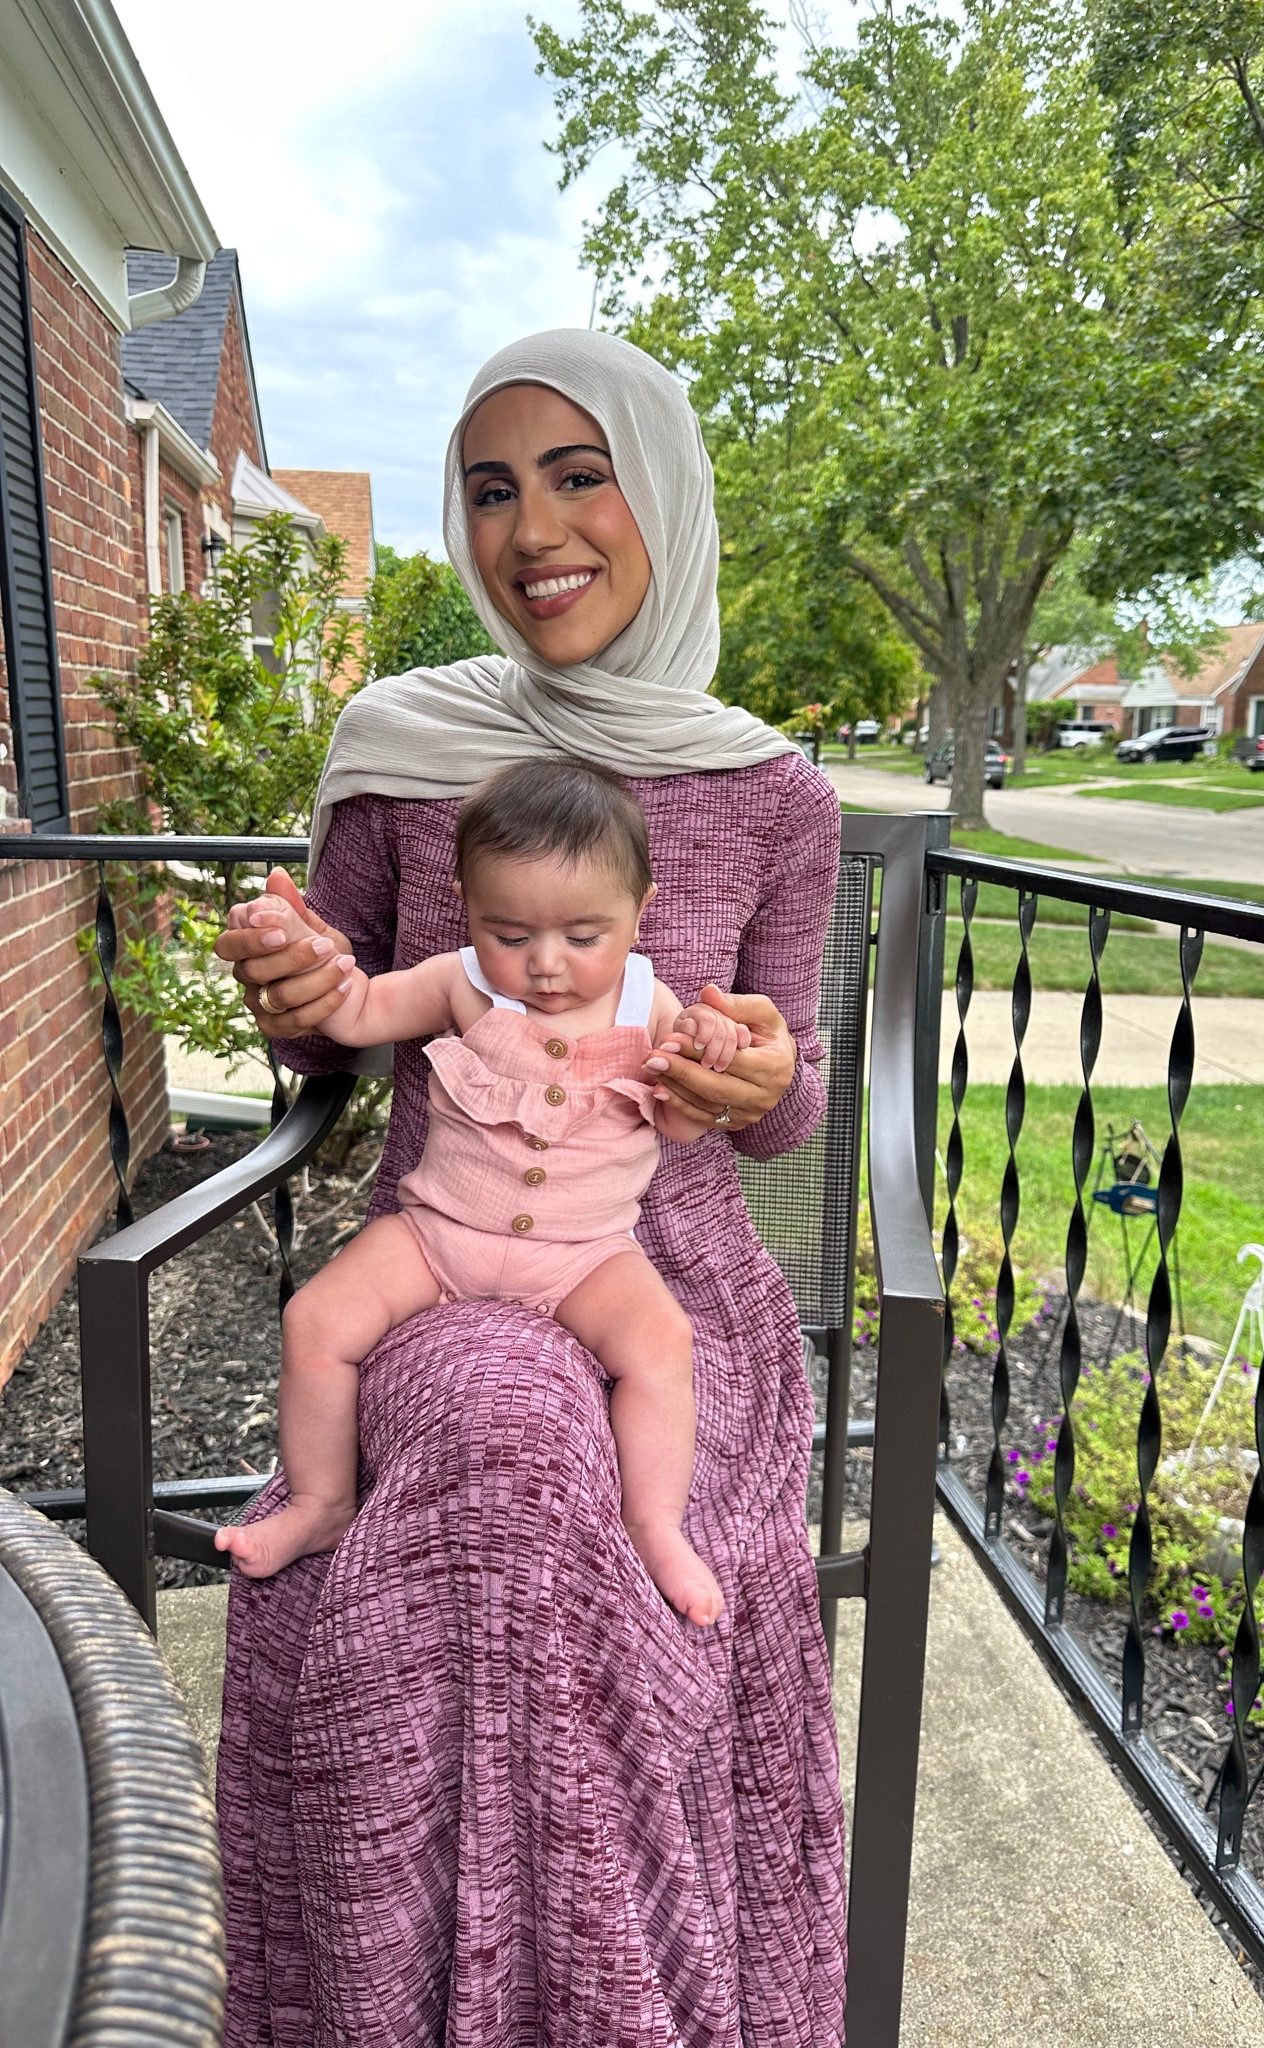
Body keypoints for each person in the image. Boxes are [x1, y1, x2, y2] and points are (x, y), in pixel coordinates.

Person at [213, 328, 847, 2046]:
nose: (531, 526)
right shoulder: (405, 742)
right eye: (490, 487)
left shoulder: (776, 792)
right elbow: (332, 1035)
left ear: (667, 496)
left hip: (662, 1282)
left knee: (580, 1503)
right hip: (448, 1247)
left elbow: (791, 1114)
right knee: (497, 1442)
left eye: (581, 473)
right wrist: (292, 989)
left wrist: (767, 1080)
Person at [216, 758, 745, 1622]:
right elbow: (353, 1015)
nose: (544, 965)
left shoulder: (651, 1003)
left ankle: (653, 1522)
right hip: (437, 1234)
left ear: (640, 911)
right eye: (509, 933)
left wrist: (708, 1051)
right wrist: (296, 945)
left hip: (584, 1256)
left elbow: (683, 1125)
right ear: (466, 904)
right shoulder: (457, 980)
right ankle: (320, 1501)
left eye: (583, 938)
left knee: (661, 1347)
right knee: (316, 1319)